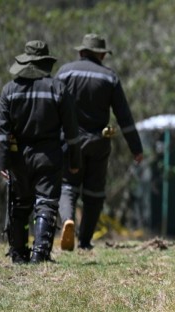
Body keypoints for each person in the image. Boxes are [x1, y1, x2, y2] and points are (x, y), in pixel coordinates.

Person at [0, 40, 81, 264]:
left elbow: (1, 132)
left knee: (20, 204)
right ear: (45, 63)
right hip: (49, 156)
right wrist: (75, 158)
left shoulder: (9, 90)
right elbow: (72, 130)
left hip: (18, 158)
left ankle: (18, 254)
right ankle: (40, 255)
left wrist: (2, 162)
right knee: (46, 203)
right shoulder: (58, 88)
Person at [55, 33, 143, 251]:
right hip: (98, 142)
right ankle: (84, 241)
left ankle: (67, 220)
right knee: (94, 193)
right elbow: (124, 116)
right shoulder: (109, 77)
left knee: (67, 186)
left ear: (81, 52)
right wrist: (136, 148)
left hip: (68, 141)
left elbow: (51, 105)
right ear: (102, 54)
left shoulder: (64, 72)